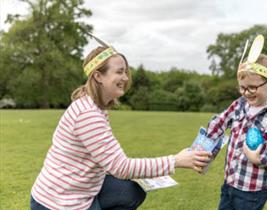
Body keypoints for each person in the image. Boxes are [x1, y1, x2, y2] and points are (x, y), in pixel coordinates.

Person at [30, 43, 211, 210]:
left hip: (79, 190)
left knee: (131, 191)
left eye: (125, 72)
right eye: (119, 72)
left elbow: (109, 161)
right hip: (58, 202)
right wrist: (176, 161)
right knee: (127, 185)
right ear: (98, 76)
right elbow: (120, 167)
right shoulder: (88, 115)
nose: (125, 77)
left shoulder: (96, 108)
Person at [205, 36, 267, 210]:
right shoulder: (239, 104)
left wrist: (259, 158)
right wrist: (204, 148)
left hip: (253, 191)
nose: (246, 93)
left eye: (252, 87)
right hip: (229, 182)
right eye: (242, 87)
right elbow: (220, 123)